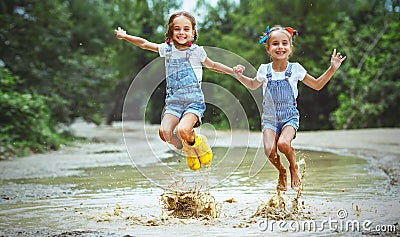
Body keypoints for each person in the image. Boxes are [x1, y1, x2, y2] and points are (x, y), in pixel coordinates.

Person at [114, 11, 235, 171]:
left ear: (193, 33)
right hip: (173, 104)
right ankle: (188, 149)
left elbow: (212, 65)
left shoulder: (197, 52)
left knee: (183, 130)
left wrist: (233, 71)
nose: (181, 33)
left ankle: (198, 143)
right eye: (177, 29)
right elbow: (144, 44)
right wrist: (125, 36)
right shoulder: (167, 49)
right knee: (164, 133)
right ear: (171, 32)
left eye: (186, 29)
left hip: (193, 103)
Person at [233, 25, 346, 191]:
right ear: (268, 49)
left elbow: (317, 85)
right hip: (270, 118)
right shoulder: (264, 70)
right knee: (269, 150)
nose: (280, 47)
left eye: (285, 43)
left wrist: (332, 69)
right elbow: (252, 85)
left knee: (284, 144)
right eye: (275, 44)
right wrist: (239, 76)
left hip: (289, 117)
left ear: (290, 48)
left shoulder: (296, 69)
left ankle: (293, 167)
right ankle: (282, 171)